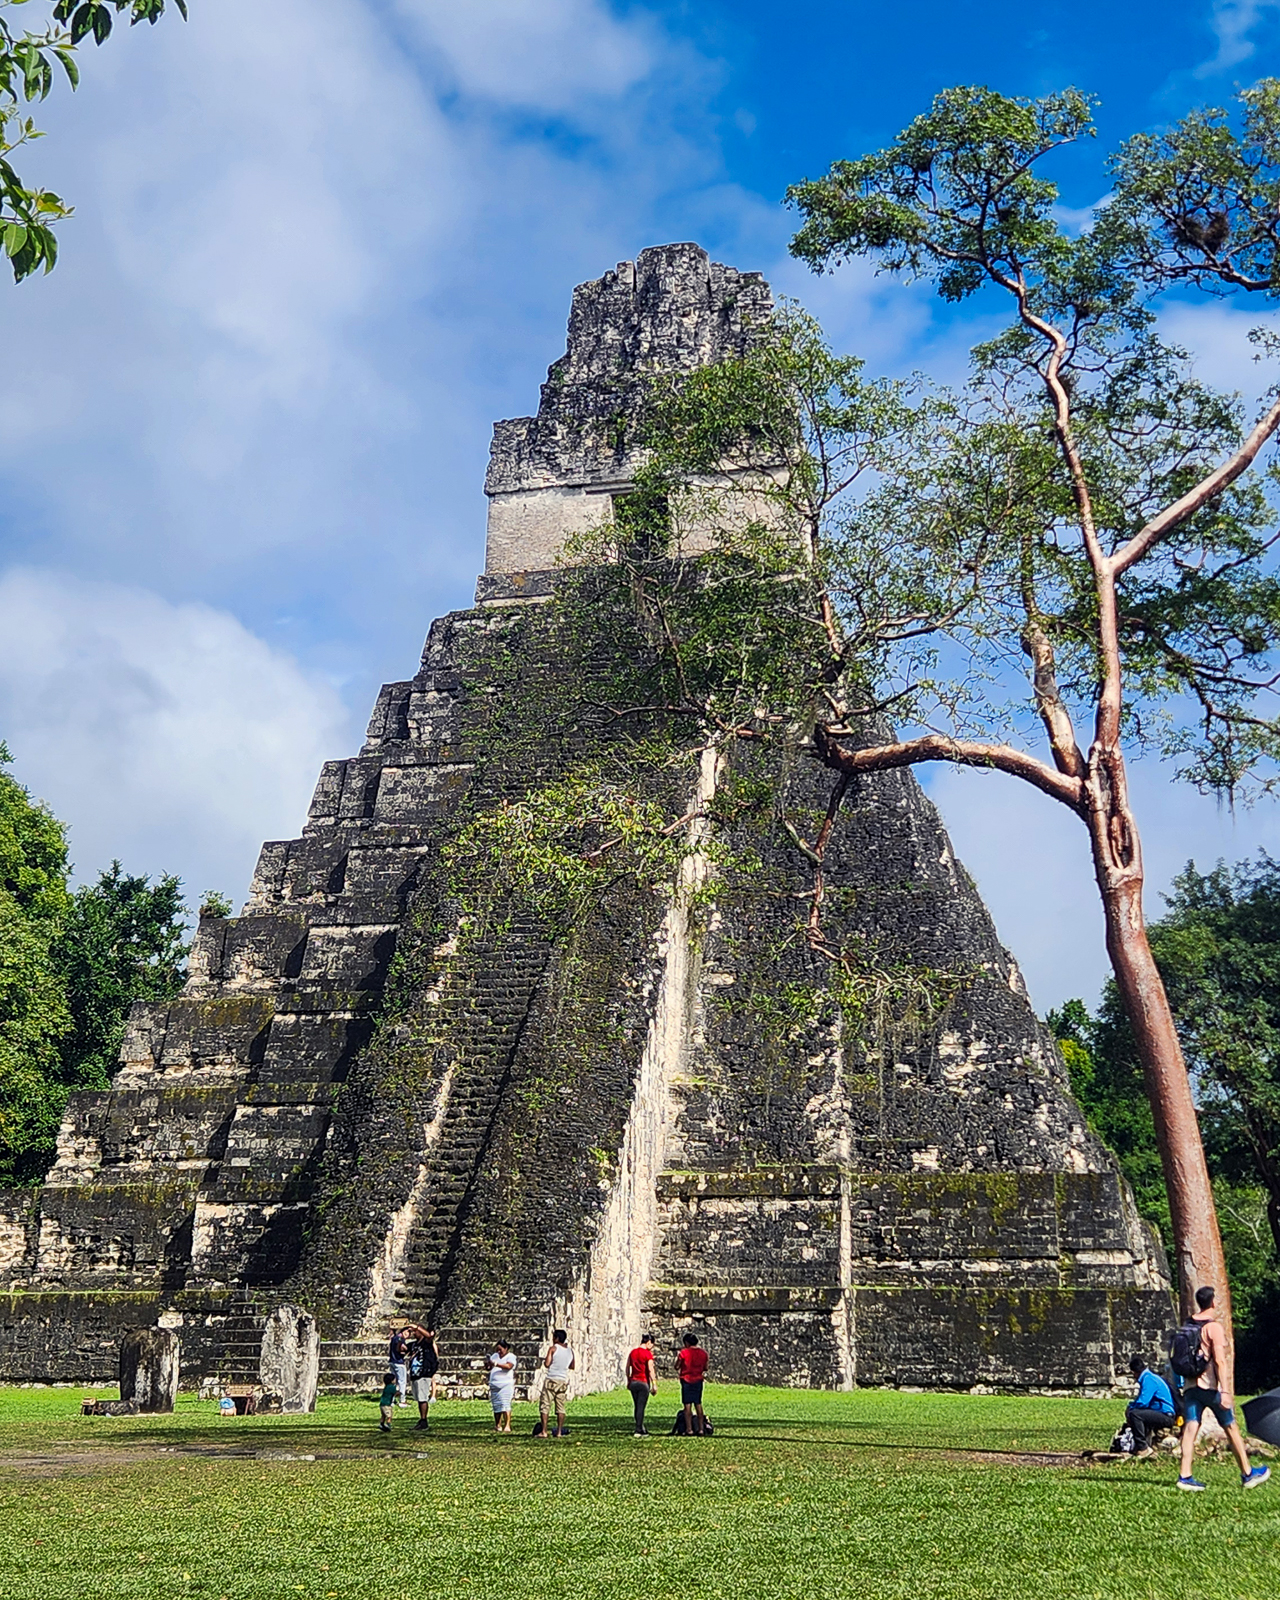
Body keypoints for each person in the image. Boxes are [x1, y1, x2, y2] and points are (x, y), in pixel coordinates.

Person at [1175, 1285, 1271, 1492]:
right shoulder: (1213, 1328)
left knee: (1191, 1428)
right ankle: (1248, 1473)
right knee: (1230, 1426)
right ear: (1213, 1302)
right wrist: (1225, 1390)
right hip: (1210, 1387)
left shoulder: (1188, 1324)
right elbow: (1219, 1360)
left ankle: (1185, 1475)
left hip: (1191, 1385)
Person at [1125, 1354, 1176, 1455]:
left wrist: (1130, 1408)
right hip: (1159, 1412)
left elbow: (1143, 1401)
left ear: (1134, 1372)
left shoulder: (1149, 1379)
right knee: (1140, 1414)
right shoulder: (1149, 1377)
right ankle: (1144, 1444)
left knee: (1135, 1414)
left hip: (1166, 1415)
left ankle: (1142, 1447)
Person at [538, 1329, 575, 1439]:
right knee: (560, 1407)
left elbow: (547, 1363)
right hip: (562, 1380)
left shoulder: (553, 1349)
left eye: (554, 1337)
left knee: (545, 1405)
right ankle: (559, 1431)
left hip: (551, 1379)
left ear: (557, 1338)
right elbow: (572, 1366)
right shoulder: (570, 1351)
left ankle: (544, 1431)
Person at [406, 1323, 439, 1432]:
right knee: (418, 1398)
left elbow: (429, 1336)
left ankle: (424, 1420)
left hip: (424, 1373)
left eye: (415, 1332)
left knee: (422, 1398)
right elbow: (402, 1350)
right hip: (415, 1374)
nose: (413, 1333)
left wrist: (416, 1326)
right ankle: (422, 1420)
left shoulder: (426, 1343)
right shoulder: (414, 1345)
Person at [675, 1332, 709, 1437]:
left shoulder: (684, 1353)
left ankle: (689, 1429)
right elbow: (706, 1368)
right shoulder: (703, 1353)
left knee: (687, 1405)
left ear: (686, 1342)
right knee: (698, 1403)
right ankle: (701, 1429)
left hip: (686, 1380)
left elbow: (677, 1366)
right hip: (698, 1380)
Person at [626, 1333, 657, 1437]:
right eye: (652, 1344)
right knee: (641, 1406)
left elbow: (627, 1368)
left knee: (637, 1405)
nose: (652, 1347)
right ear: (648, 1342)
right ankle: (638, 1429)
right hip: (643, 1382)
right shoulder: (647, 1354)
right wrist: (654, 1384)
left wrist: (628, 1380)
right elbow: (650, 1369)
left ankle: (640, 1426)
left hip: (633, 1382)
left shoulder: (633, 1353)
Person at [487, 1341, 516, 1433]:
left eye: (501, 1349)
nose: (499, 1352)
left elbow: (508, 1366)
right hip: (494, 1384)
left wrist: (496, 1364)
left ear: (506, 1348)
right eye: (497, 1350)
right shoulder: (494, 1356)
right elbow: (489, 1367)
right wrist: (488, 1364)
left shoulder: (511, 1357)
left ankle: (507, 1425)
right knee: (496, 1405)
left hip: (505, 1384)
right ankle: (497, 1425)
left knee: (505, 1404)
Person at [388, 1324, 410, 1408]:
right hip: (399, 1362)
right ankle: (402, 1400)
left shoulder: (394, 1338)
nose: (408, 1334)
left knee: (394, 1382)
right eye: (407, 1331)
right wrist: (407, 1349)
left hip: (392, 1361)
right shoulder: (400, 1338)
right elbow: (401, 1347)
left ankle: (391, 1400)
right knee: (402, 1382)